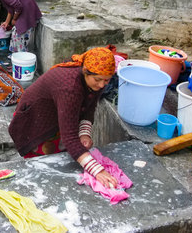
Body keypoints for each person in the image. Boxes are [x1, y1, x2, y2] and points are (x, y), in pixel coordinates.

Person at [8, 47, 119, 188]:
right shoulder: (70, 87)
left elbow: (90, 106)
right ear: (85, 71)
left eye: (107, 80)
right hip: (36, 120)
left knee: (62, 157)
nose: (102, 85)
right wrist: (98, 170)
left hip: (58, 114)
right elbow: (70, 137)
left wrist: (84, 133)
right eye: (98, 80)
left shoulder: (97, 79)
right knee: (44, 168)